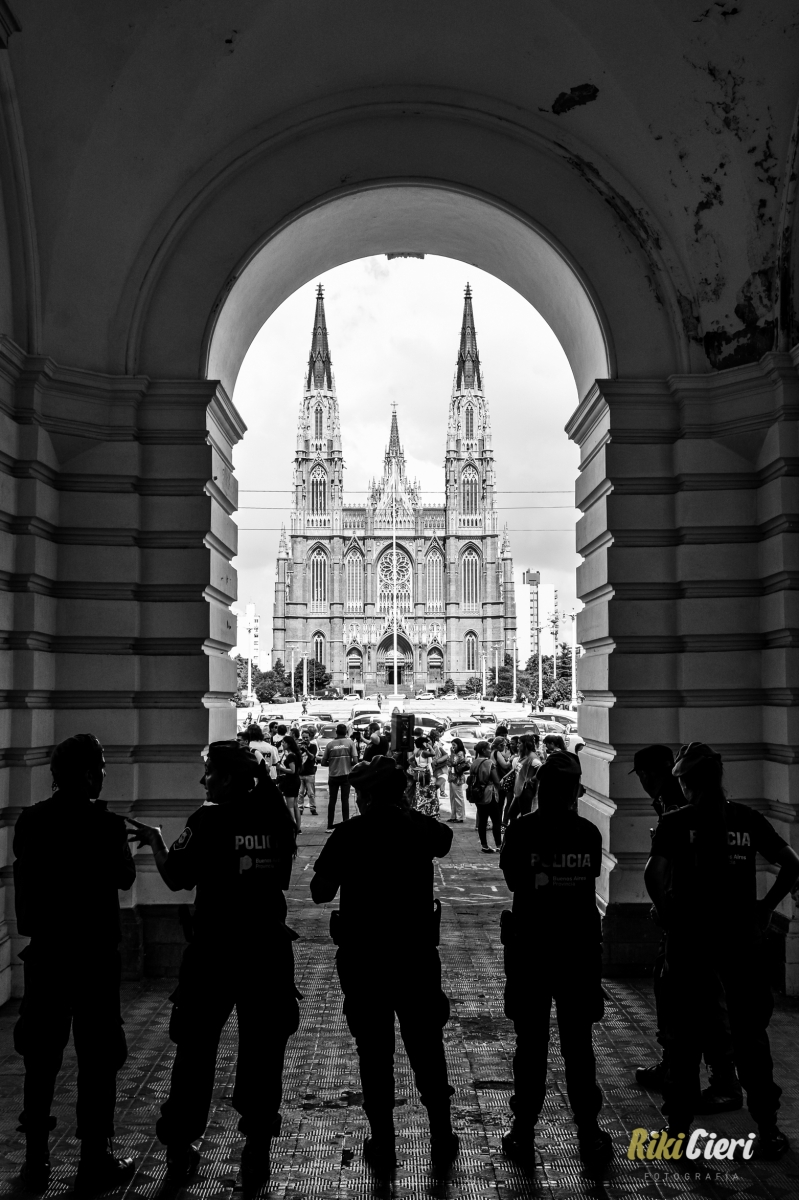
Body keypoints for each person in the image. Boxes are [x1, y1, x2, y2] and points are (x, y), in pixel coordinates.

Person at [126, 742, 299, 1190]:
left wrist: (154, 840)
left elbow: (177, 876)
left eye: (209, 774)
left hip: (214, 955)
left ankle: (181, 1147)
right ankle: (257, 1148)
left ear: (226, 778)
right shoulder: (277, 819)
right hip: (266, 952)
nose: (204, 782)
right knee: (263, 1053)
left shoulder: (208, 820)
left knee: (195, 1052)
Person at [645, 742, 799, 1157]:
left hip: (690, 943)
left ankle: (677, 1133)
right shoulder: (747, 819)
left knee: (685, 1038)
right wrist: (764, 908)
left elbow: (653, 873)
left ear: (686, 781)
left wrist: (667, 912)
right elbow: (792, 862)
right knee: (751, 1036)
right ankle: (767, 1129)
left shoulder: (677, 823)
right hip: (742, 944)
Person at [310, 755, 458, 1169]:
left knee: (374, 1053)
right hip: (415, 958)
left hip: (366, 961)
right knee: (427, 1046)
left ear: (369, 795)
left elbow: (320, 891)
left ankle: (384, 1141)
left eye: (360, 792)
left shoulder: (350, 835)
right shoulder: (419, 829)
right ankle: (442, 1136)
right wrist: (407, 812)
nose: (355, 799)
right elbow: (444, 840)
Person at [13, 734, 137, 1194]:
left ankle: (35, 1160)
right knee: (99, 1058)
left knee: (40, 1058)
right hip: (93, 958)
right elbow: (124, 877)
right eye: (100, 767)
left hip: (46, 956)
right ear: (87, 773)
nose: (104, 774)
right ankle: (94, 1156)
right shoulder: (103, 825)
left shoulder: (31, 820)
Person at [499, 750, 611, 1166]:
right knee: (579, 1048)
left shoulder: (523, 831)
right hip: (577, 954)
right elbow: (588, 880)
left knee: (530, 1047)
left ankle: (523, 1132)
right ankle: (589, 1134)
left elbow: (513, 877)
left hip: (532, 952)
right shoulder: (587, 833)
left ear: (540, 790)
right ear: (573, 794)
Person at [631, 744, 739, 1112]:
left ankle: (721, 1081)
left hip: (692, 919)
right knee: (679, 991)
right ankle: (678, 1068)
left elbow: (664, 868)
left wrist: (667, 908)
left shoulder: (682, 809)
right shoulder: (684, 805)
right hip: (692, 914)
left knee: (704, 999)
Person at [321, 723, 358, 832]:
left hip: (333, 776)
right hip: (346, 775)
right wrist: (346, 762)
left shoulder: (330, 745)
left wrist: (333, 763)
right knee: (345, 800)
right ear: (346, 732)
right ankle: (346, 824)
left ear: (336, 732)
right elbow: (355, 761)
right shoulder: (350, 743)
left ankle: (329, 825)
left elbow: (323, 762)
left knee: (332, 801)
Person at [468, 740, 503, 853]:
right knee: (496, 820)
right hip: (489, 793)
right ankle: (499, 845)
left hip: (478, 794)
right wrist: (499, 787)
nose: (490, 751)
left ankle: (484, 845)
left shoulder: (474, 762)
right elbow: (496, 780)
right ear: (483, 750)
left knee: (482, 820)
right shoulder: (489, 763)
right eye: (488, 749)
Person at [503, 734, 541, 825]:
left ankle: (525, 837)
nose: (517, 745)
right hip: (519, 791)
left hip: (526, 791)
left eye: (519, 743)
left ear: (526, 744)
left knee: (525, 817)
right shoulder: (523, 756)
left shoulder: (532, 757)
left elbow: (542, 770)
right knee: (512, 815)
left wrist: (531, 779)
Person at [276, 733, 303, 832]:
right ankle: (298, 827)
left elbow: (292, 771)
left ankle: (292, 827)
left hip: (291, 781)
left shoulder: (290, 756)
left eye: (283, 743)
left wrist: (281, 768)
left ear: (288, 744)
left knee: (290, 806)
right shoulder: (296, 754)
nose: (282, 744)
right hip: (295, 781)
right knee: (295, 805)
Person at [411, 736, 440, 817]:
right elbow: (433, 753)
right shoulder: (424, 752)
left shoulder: (417, 752)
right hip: (427, 775)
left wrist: (416, 767)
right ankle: (431, 813)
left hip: (419, 774)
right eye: (426, 742)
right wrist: (430, 746)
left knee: (420, 794)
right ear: (423, 743)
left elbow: (409, 760)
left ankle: (421, 811)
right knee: (431, 794)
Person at [298, 729, 319, 816]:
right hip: (300, 773)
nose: (305, 739)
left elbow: (311, 757)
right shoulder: (298, 746)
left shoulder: (313, 746)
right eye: (303, 737)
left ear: (310, 737)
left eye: (307, 737)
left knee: (311, 793)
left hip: (310, 773)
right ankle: (300, 808)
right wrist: (300, 749)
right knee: (300, 793)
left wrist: (306, 750)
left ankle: (313, 808)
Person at [447, 738, 469, 823]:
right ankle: (454, 815)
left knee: (458, 797)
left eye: (454, 745)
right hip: (452, 777)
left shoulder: (460, 753)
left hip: (457, 777)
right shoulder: (456, 753)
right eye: (452, 745)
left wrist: (451, 754)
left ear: (458, 745)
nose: (452, 747)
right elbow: (448, 762)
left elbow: (453, 762)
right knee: (453, 797)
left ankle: (460, 817)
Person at [430, 731, 450, 804]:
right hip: (434, 769)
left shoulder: (437, 745)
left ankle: (436, 800)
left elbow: (446, 755)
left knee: (436, 785)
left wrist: (437, 761)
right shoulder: (435, 744)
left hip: (438, 768)